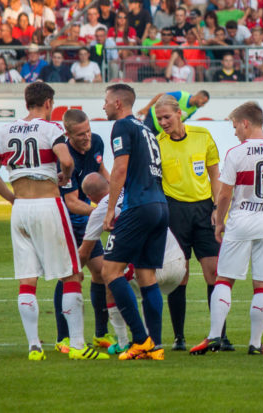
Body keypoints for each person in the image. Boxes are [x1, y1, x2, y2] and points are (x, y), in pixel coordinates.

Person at [0, 83, 109, 361]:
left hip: (21, 209)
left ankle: (34, 347)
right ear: (49, 102)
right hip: (47, 204)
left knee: (28, 279)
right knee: (72, 274)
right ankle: (77, 345)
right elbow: (66, 160)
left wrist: (11, 199)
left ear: (26, 102)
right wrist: (64, 175)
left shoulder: (5, 131)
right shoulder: (51, 129)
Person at [190, 101, 263, 356]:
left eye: (235, 125)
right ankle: (256, 343)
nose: (235, 131)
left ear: (246, 123)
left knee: (224, 279)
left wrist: (219, 220)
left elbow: (225, 194)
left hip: (240, 222)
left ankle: (215, 335)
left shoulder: (236, 153)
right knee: (262, 285)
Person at [154, 94, 236, 352]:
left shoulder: (202, 135)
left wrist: (215, 208)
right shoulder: (157, 143)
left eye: (166, 117)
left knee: (214, 272)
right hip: (174, 212)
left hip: (204, 212)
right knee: (180, 275)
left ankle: (219, 336)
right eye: (159, 119)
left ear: (179, 114)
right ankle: (179, 337)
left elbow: (215, 174)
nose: (163, 123)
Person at [79, 171, 186, 355]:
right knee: (145, 280)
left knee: (110, 275)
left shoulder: (101, 209)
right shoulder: (135, 191)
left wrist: (70, 275)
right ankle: (154, 342)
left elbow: (84, 252)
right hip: (178, 264)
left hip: (152, 268)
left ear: (89, 197)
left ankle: (126, 341)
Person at [100, 83, 168, 360]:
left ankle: (140, 340)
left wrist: (110, 211)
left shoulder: (122, 126)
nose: (103, 106)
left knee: (110, 273)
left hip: (138, 205)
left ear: (118, 103)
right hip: (159, 205)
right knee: (146, 276)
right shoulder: (146, 128)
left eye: (105, 101)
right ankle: (156, 345)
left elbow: (120, 169)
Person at [52, 109, 113, 354]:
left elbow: (101, 172)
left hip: (87, 224)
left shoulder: (97, 141)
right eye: (80, 135)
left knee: (101, 273)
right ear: (68, 135)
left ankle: (100, 334)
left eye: (88, 131)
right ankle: (62, 338)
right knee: (69, 276)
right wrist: (103, 213)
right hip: (66, 223)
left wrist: (114, 196)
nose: (87, 137)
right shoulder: (64, 159)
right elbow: (72, 202)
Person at [139, 90, 209, 135]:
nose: (202, 105)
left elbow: (182, 120)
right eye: (203, 102)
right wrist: (146, 108)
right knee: (144, 139)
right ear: (198, 97)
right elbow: (160, 96)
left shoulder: (194, 109)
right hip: (152, 118)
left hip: (162, 128)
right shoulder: (181, 95)